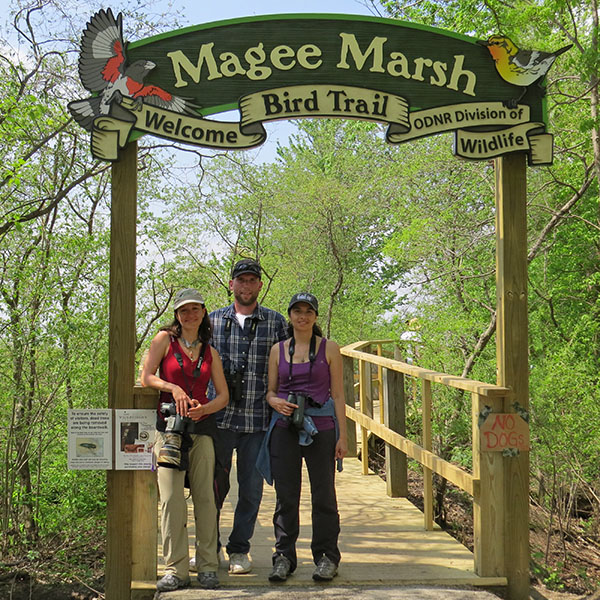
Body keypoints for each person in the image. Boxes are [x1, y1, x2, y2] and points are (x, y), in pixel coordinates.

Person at [141, 288, 229, 592]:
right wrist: (173, 389)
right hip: (168, 431)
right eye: (183, 310)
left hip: (202, 430)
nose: (189, 315)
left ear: (203, 312)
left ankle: (207, 566)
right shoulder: (164, 340)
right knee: (171, 501)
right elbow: (146, 377)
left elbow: (224, 395)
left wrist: (205, 408)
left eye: (195, 309)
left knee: (206, 499)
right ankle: (175, 569)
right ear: (177, 315)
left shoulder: (210, 351)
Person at [262, 292, 348, 582]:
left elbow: (338, 394)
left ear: (315, 316)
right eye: (297, 311)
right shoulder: (277, 350)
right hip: (285, 428)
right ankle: (284, 557)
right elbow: (270, 392)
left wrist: (343, 437)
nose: (302, 316)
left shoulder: (330, 349)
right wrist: (275, 402)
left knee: (323, 494)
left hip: (321, 428)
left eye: (308, 311)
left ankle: (326, 557)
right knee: (286, 496)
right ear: (289, 315)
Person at [209, 258, 288, 574]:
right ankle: (209, 547)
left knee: (252, 490)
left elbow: (291, 363)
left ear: (259, 285)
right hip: (219, 419)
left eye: (252, 280)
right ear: (231, 284)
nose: (246, 285)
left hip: (258, 421)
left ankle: (239, 550)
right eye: (240, 280)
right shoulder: (212, 321)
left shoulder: (275, 322)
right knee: (212, 487)